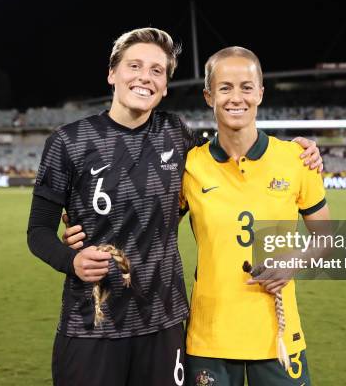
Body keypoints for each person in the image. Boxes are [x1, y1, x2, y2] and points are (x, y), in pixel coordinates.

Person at [29, 28, 323, 386]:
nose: (144, 77)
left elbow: (231, 152)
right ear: (112, 73)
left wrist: (301, 152)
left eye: (156, 70)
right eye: (134, 65)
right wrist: (70, 255)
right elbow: (39, 231)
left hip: (164, 324)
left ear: (165, 86)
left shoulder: (176, 135)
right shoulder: (69, 141)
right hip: (95, 320)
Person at [180, 47, 330, 386]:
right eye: (225, 87)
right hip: (210, 337)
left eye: (246, 87)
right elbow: (147, 228)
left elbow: (326, 237)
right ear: (209, 96)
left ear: (260, 93)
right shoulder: (190, 166)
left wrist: (294, 261)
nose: (237, 98)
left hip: (277, 336)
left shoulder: (297, 160)